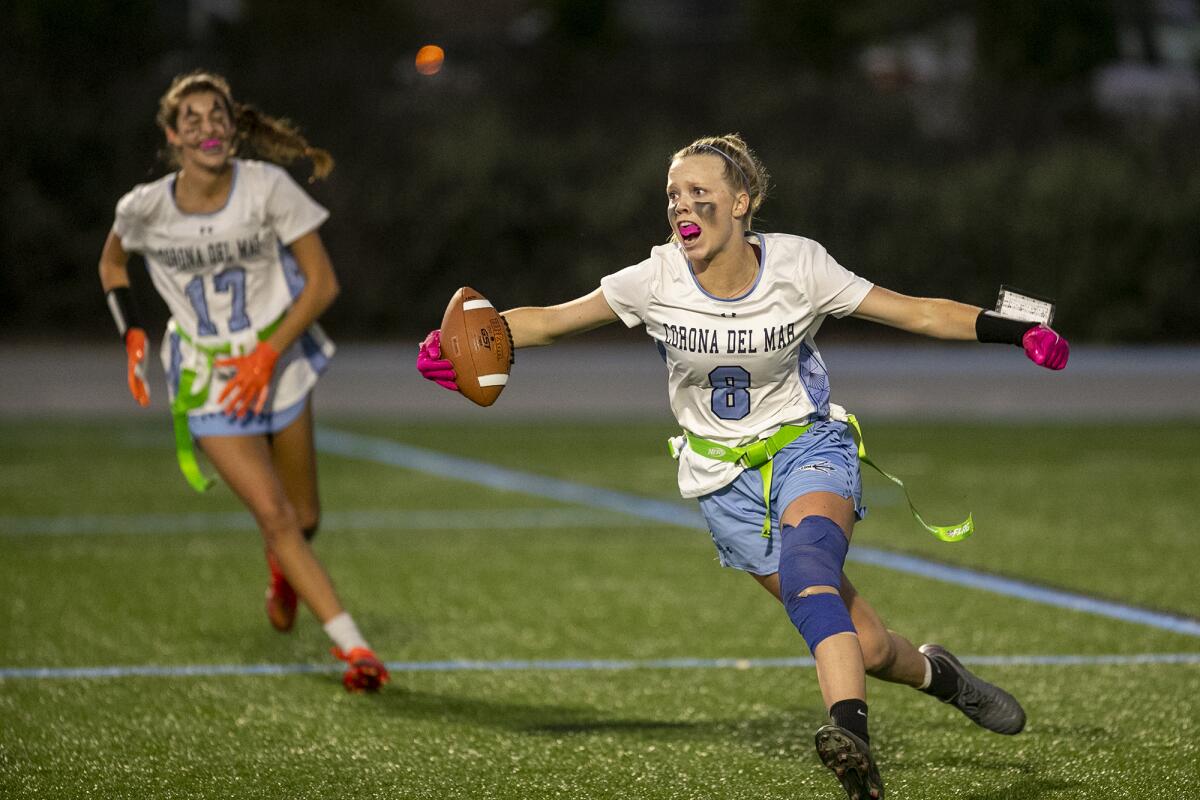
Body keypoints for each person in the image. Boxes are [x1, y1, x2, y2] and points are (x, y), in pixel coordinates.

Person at [416, 134, 1069, 798]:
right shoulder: (655, 278)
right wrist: (456, 345)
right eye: (674, 194)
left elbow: (919, 312)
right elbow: (551, 321)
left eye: (700, 193)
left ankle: (853, 748)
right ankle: (943, 676)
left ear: (741, 201)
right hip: (721, 482)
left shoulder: (799, 266)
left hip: (805, 447)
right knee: (865, 647)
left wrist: (1016, 330)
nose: (683, 207)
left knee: (810, 569)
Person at [98, 70, 388, 693]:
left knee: (304, 516)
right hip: (209, 380)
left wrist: (265, 353)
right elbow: (112, 262)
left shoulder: (266, 188)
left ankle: (285, 573)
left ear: (233, 126)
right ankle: (356, 649)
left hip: (278, 365)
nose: (209, 128)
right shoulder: (143, 207)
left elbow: (323, 285)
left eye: (218, 116)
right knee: (277, 518)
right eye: (193, 120)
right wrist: (132, 331)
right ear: (173, 136)